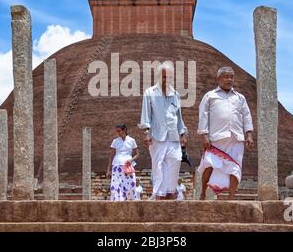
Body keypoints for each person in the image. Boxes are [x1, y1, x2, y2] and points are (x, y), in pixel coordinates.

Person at [197, 66, 254, 200]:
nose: (229, 79)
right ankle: (203, 193)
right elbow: (203, 116)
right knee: (209, 165)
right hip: (216, 138)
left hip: (236, 138)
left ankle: (231, 197)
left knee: (235, 168)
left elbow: (247, 116)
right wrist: (204, 135)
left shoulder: (240, 98)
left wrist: (249, 134)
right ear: (218, 79)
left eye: (231, 77)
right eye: (226, 77)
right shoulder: (210, 96)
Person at [139, 62, 188, 200]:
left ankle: (171, 191)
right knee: (158, 165)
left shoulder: (175, 94)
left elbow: (178, 116)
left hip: (173, 135)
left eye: (169, 77)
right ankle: (160, 195)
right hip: (156, 135)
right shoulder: (150, 92)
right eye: (164, 77)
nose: (167, 80)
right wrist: (146, 133)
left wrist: (183, 133)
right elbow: (146, 114)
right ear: (159, 76)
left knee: (176, 159)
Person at [106, 124, 140, 201]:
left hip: (128, 165)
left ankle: (131, 202)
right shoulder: (115, 141)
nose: (117, 133)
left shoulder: (132, 140)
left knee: (131, 184)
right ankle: (117, 202)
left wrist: (131, 160)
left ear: (124, 130)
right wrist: (108, 170)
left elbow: (137, 154)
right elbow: (110, 155)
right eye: (116, 131)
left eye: (119, 131)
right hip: (116, 165)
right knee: (116, 185)